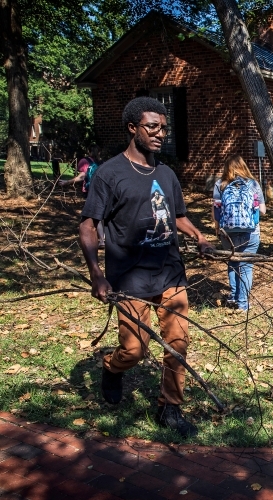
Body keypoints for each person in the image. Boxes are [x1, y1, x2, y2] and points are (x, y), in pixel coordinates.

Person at [79, 97, 214, 438]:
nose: (160, 134)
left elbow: (177, 215)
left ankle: (170, 407)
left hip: (170, 272)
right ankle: (112, 367)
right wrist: (97, 274)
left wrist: (198, 235)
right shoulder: (110, 174)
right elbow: (88, 225)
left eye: (163, 128)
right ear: (132, 128)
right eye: (152, 127)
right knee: (135, 350)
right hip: (129, 278)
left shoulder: (166, 173)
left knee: (178, 344)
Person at [213, 155, 265, 311]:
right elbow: (262, 210)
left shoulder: (220, 185)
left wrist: (217, 227)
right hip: (251, 232)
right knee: (246, 267)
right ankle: (243, 304)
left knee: (233, 262)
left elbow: (216, 210)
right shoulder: (253, 184)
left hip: (226, 232)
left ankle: (234, 297)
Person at [60, 145, 106, 246]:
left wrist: (67, 182)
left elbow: (81, 177)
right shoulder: (103, 163)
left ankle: (102, 240)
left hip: (90, 191)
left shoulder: (84, 161)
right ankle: (104, 238)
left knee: (95, 215)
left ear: (88, 150)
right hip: (103, 191)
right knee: (102, 215)